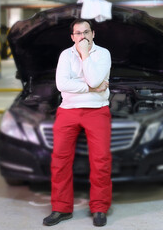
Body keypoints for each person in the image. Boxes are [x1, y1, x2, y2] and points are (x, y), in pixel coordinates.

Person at [43, 19, 112, 227]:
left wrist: (84, 55)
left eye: (85, 32)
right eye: (77, 33)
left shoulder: (103, 54)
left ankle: (99, 208)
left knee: (100, 161)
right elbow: (62, 84)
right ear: (72, 37)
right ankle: (61, 208)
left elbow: (93, 79)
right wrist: (92, 89)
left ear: (93, 34)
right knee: (60, 160)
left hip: (97, 111)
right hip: (68, 111)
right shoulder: (65, 55)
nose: (82, 37)